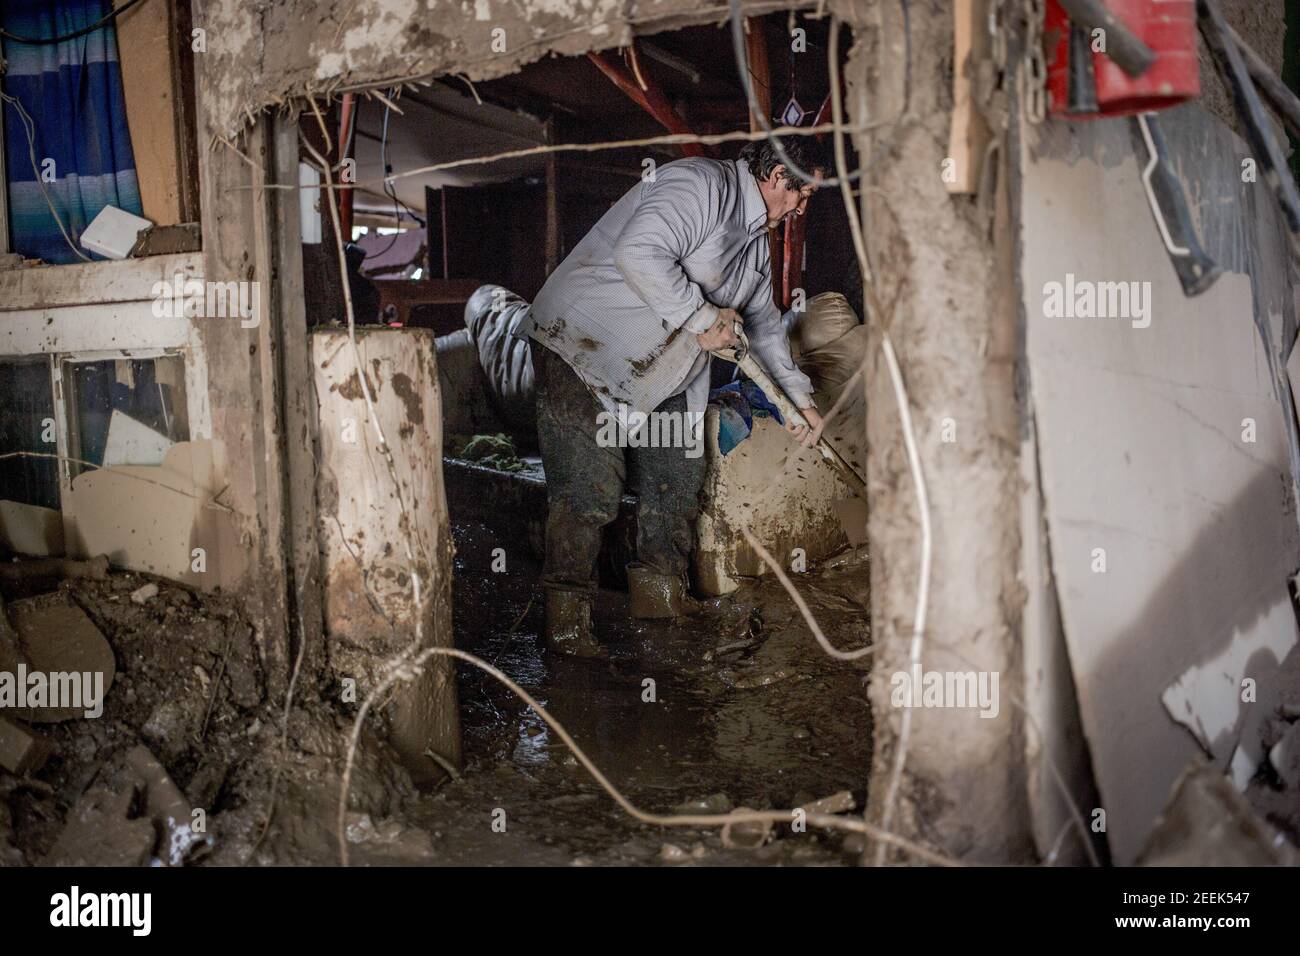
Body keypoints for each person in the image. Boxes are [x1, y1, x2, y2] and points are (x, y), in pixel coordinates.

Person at [526, 137, 828, 657]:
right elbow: (639, 252)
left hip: (659, 369)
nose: (802, 208)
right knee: (590, 489)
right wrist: (703, 318)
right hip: (586, 342)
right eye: (803, 195)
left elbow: (764, 328)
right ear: (779, 175)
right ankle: (567, 624)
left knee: (676, 477)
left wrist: (796, 399)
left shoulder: (756, 242)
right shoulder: (700, 185)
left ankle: (659, 600)